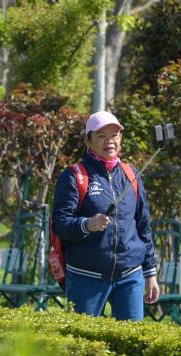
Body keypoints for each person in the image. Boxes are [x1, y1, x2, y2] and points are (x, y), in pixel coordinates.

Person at [52, 111, 159, 321]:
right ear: (88, 140)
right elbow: (61, 223)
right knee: (83, 346)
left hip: (130, 276)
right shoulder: (74, 176)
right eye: (101, 136)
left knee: (131, 343)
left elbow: (143, 227)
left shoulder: (132, 175)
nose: (109, 141)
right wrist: (87, 224)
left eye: (115, 135)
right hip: (86, 277)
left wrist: (150, 273)